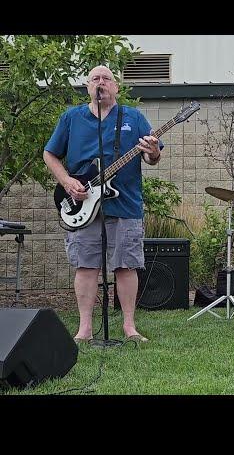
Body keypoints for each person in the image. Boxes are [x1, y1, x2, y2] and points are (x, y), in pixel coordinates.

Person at [43, 65, 162, 343]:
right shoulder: (72, 118)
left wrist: (154, 151)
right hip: (82, 202)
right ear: (88, 86)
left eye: (106, 78)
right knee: (86, 265)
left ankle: (129, 327)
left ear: (116, 87)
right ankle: (84, 329)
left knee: (126, 265)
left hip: (125, 204)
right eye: (95, 78)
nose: (101, 82)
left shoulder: (133, 117)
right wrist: (67, 182)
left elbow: (151, 158)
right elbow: (50, 154)